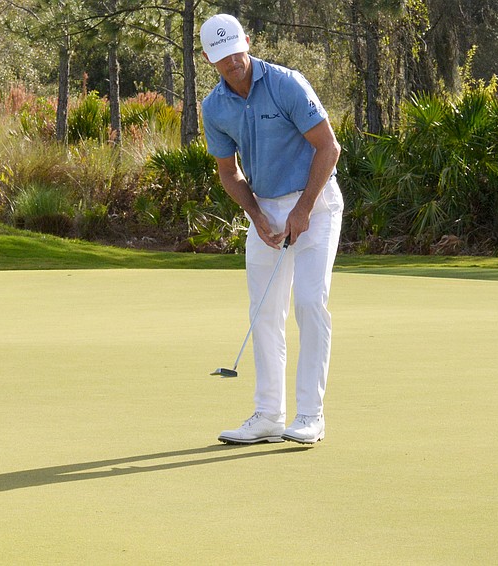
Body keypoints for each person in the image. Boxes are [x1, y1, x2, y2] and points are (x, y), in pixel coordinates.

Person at [199, 14, 343, 445]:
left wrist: (303, 209)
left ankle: (310, 416)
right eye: (222, 58)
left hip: (315, 204)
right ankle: (267, 415)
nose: (233, 63)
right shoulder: (214, 106)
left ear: (247, 40)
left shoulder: (286, 83)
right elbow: (229, 172)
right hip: (265, 213)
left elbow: (328, 147)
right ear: (209, 59)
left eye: (236, 52)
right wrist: (256, 215)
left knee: (309, 302)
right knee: (263, 314)